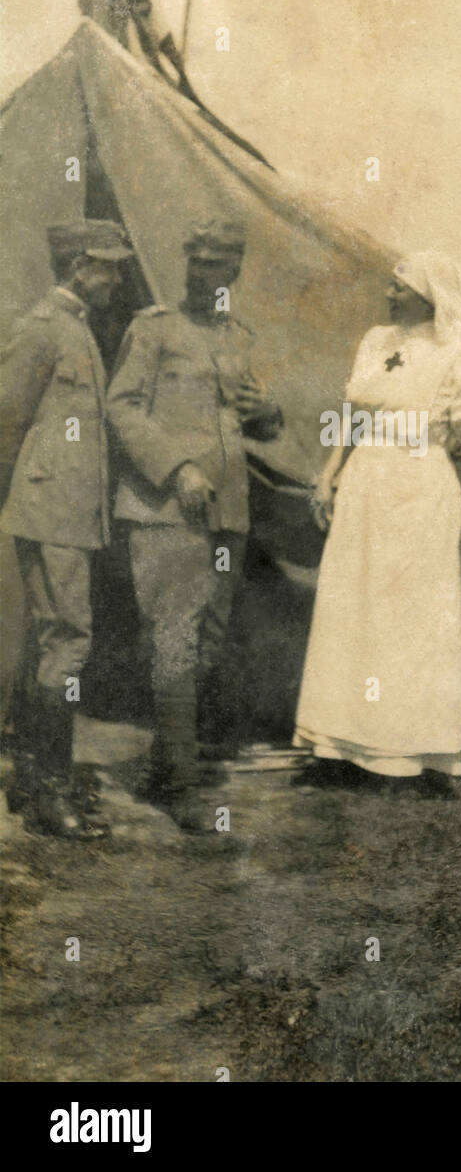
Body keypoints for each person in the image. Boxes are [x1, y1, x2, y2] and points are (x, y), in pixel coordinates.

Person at [292, 251, 461, 795]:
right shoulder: (375, 341)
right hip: (365, 485)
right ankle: (338, 746)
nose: (388, 295)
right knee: (351, 607)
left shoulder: (460, 347)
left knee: (414, 617)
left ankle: (411, 754)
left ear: (428, 294)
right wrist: (329, 471)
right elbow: (354, 414)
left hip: (421, 488)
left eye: (398, 287)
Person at [107, 220, 283, 830]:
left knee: (206, 639)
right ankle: (181, 787)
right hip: (167, 511)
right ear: (187, 265)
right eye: (200, 264)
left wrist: (270, 414)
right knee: (175, 637)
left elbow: (255, 425)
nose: (210, 276)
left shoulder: (240, 338)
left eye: (222, 266)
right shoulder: (153, 329)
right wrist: (175, 466)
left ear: (235, 271)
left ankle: (162, 764)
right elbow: (121, 406)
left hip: (227, 513)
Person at [0, 220, 133, 837]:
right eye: (108, 266)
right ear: (79, 267)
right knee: (67, 641)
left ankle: (34, 779)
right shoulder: (44, 328)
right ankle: (49, 792)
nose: (116, 277)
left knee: (57, 639)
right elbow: (5, 420)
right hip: (51, 506)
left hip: (71, 510)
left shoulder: (76, 327)